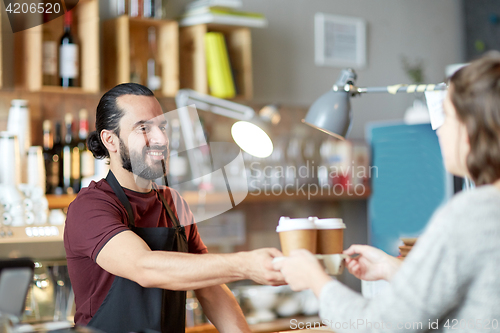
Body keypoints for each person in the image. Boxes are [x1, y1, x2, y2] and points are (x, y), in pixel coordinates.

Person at [273, 53, 500, 333]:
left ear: (472, 129)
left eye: (448, 116)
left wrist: (315, 279)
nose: (440, 130)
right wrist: (392, 269)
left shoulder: (472, 212)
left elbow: (378, 327)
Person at [64, 83, 285, 333]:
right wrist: (244, 264)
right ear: (110, 140)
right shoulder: (90, 206)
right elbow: (144, 266)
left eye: (162, 126)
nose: (161, 139)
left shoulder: (173, 202)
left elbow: (210, 288)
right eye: (144, 128)